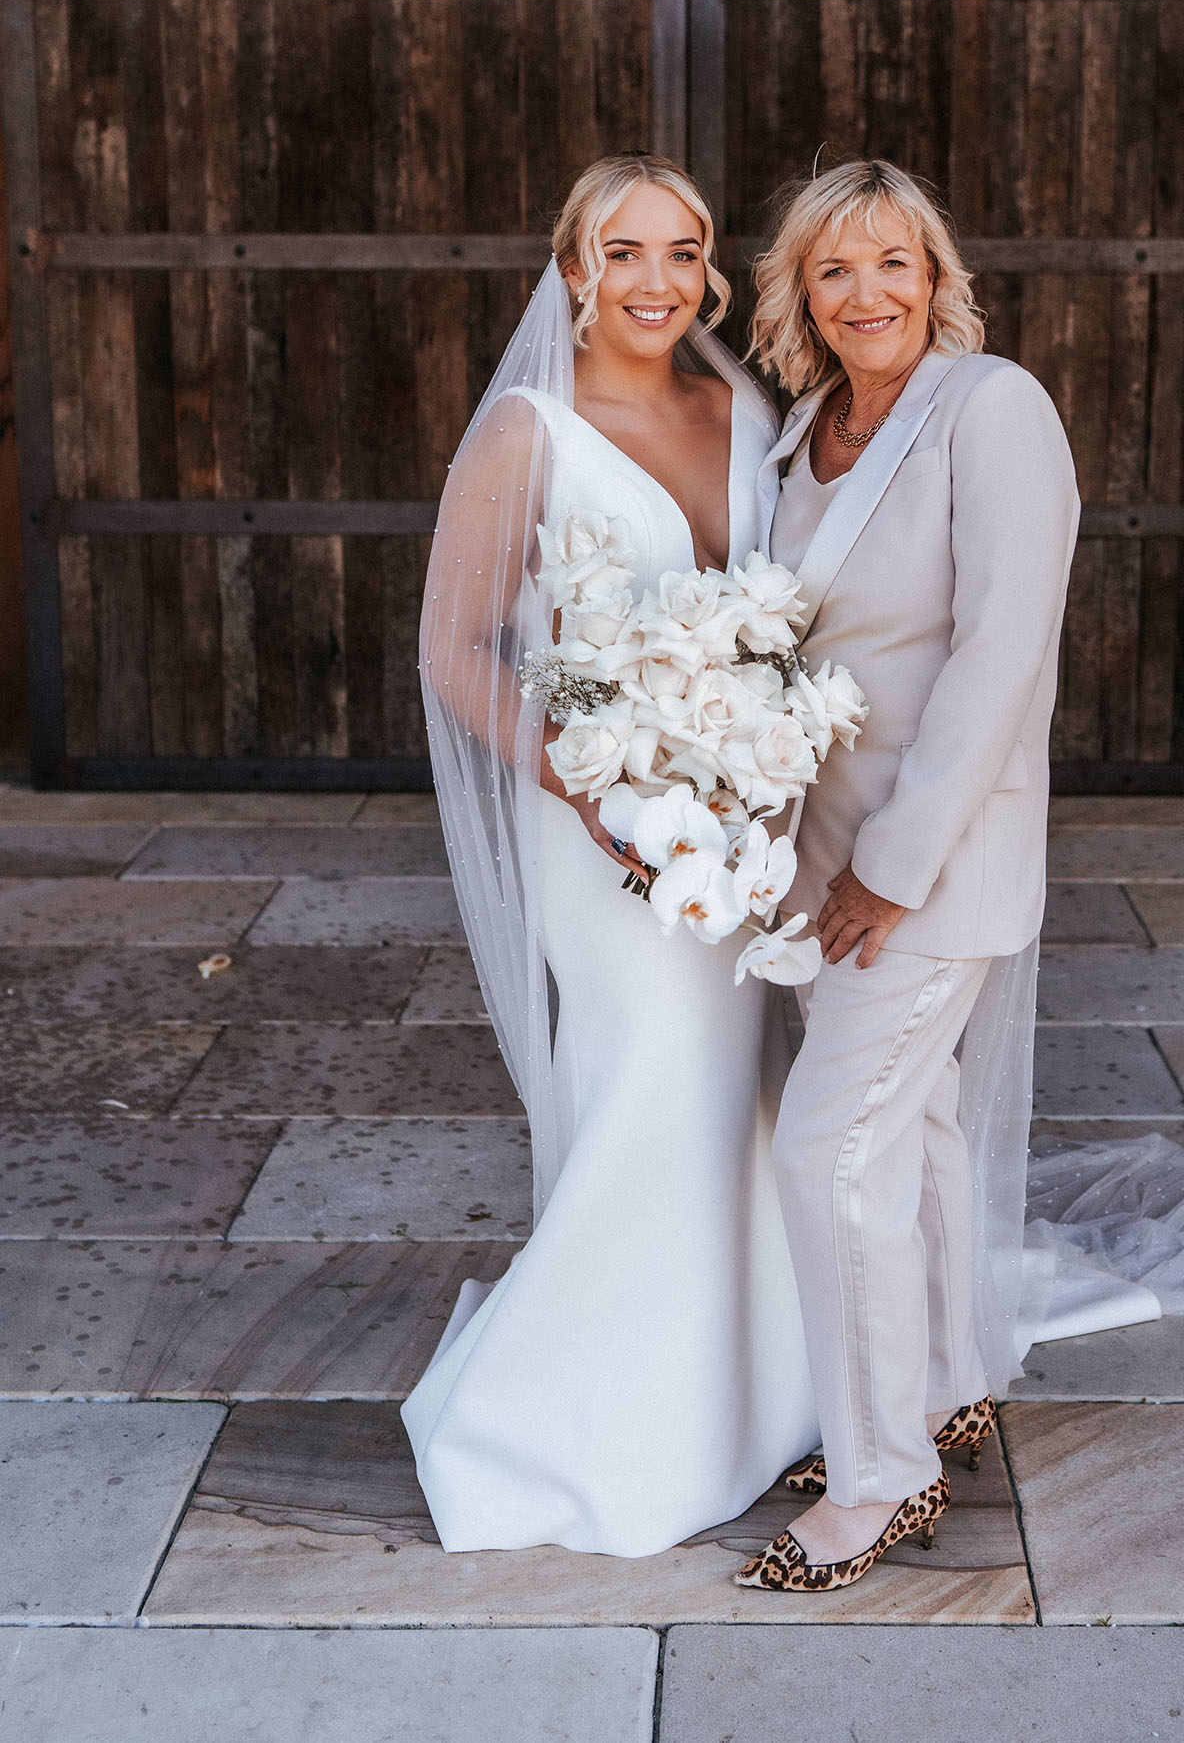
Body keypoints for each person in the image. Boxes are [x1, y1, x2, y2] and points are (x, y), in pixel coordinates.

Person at [402, 153, 818, 1556]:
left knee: (737, 1095)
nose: (656, 280)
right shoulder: (531, 428)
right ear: (574, 266)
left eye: (683, 251)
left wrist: (767, 761)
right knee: (652, 1087)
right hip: (601, 825)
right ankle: (571, 1422)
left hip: (740, 822)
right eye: (623, 251)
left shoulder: (740, 405)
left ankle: (748, 1391)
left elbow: (782, 619)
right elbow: (459, 650)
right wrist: (589, 785)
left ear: (709, 269)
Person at [735, 159, 1080, 1593]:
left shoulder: (990, 408)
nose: (867, 293)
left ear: (936, 277)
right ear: (799, 293)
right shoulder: (803, 426)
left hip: (926, 861)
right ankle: (944, 1380)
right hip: (821, 853)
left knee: (831, 1144)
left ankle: (879, 1476)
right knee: (915, 1120)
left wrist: (890, 867)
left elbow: (1002, 654)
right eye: (835, 269)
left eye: (895, 264)